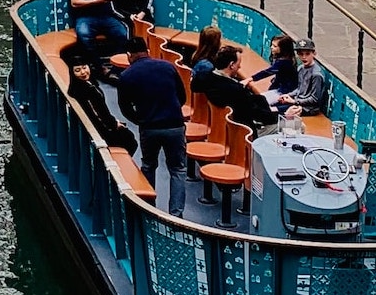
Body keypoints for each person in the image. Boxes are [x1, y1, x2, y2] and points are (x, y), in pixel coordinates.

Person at [117, 38, 189, 215]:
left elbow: (124, 108)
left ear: (129, 55)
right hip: (175, 126)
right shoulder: (168, 67)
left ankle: (148, 208)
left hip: (149, 128)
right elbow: (182, 96)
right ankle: (176, 214)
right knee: (178, 169)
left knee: (149, 165)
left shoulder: (126, 76)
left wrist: (140, 120)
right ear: (147, 50)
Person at [57, 48, 137, 154]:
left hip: (103, 122)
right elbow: (98, 114)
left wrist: (114, 121)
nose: (83, 72)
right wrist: (114, 124)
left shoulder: (87, 84)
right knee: (130, 140)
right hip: (99, 131)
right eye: (77, 70)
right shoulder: (85, 91)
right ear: (72, 73)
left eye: (84, 68)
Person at [192, 45, 278, 130]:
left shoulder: (204, 79)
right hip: (242, 132)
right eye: (238, 64)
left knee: (260, 99)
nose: (239, 67)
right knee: (278, 126)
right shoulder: (236, 91)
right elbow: (256, 114)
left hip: (217, 126)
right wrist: (280, 115)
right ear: (232, 65)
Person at [280, 38, 330, 117]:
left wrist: (294, 101)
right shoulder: (301, 68)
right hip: (298, 102)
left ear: (314, 53)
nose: (304, 57)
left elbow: (314, 99)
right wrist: (288, 95)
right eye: (301, 54)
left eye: (307, 54)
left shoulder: (316, 74)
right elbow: (300, 89)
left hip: (309, 109)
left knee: (282, 114)